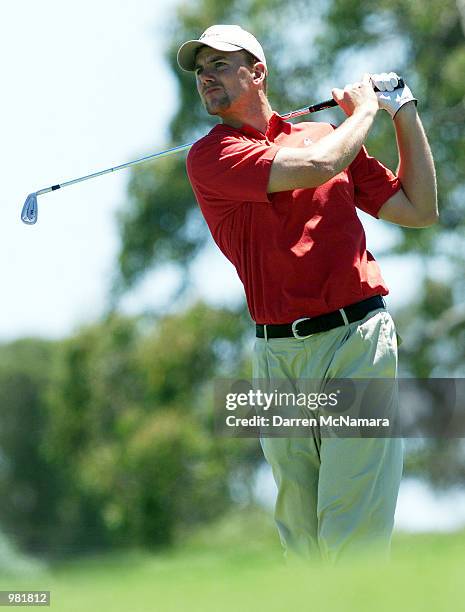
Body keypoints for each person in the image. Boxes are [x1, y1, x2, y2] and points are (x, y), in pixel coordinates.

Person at [177, 25, 437, 562]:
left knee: (352, 530)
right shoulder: (212, 155)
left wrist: (402, 109)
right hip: (277, 356)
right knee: (302, 538)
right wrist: (365, 111)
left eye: (221, 65)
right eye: (201, 69)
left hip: (356, 342)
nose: (207, 77)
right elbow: (321, 166)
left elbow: (418, 209)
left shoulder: (321, 133)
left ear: (258, 72)